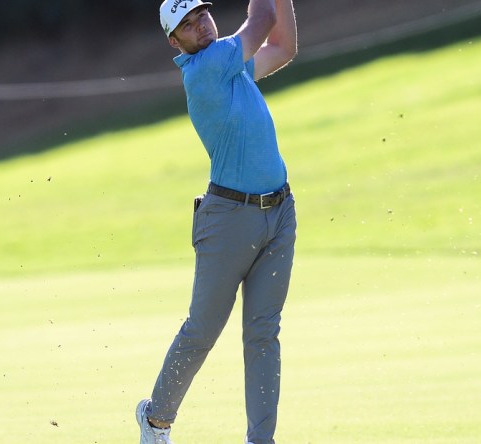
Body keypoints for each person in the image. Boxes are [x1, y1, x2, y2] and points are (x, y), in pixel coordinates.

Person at [136, 0, 298, 443]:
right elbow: (262, 22)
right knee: (203, 330)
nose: (200, 26)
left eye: (202, 15)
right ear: (176, 42)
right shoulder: (205, 66)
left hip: (280, 212)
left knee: (263, 333)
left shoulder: (234, 64)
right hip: (228, 219)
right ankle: (155, 420)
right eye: (187, 25)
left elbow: (283, 47)